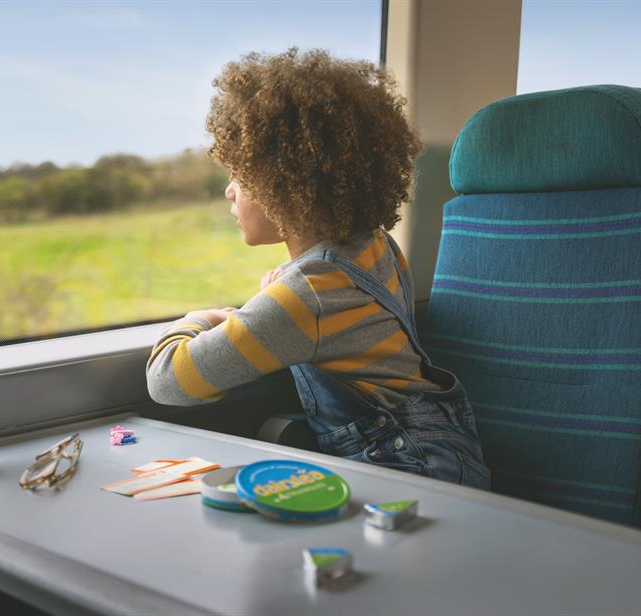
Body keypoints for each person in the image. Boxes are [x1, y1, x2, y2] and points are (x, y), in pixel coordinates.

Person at [146, 48, 490, 489]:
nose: (229, 192)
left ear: (283, 183)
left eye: (239, 173)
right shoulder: (372, 246)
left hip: (407, 474)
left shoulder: (305, 299)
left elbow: (169, 380)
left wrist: (206, 318)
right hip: (446, 457)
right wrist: (279, 294)